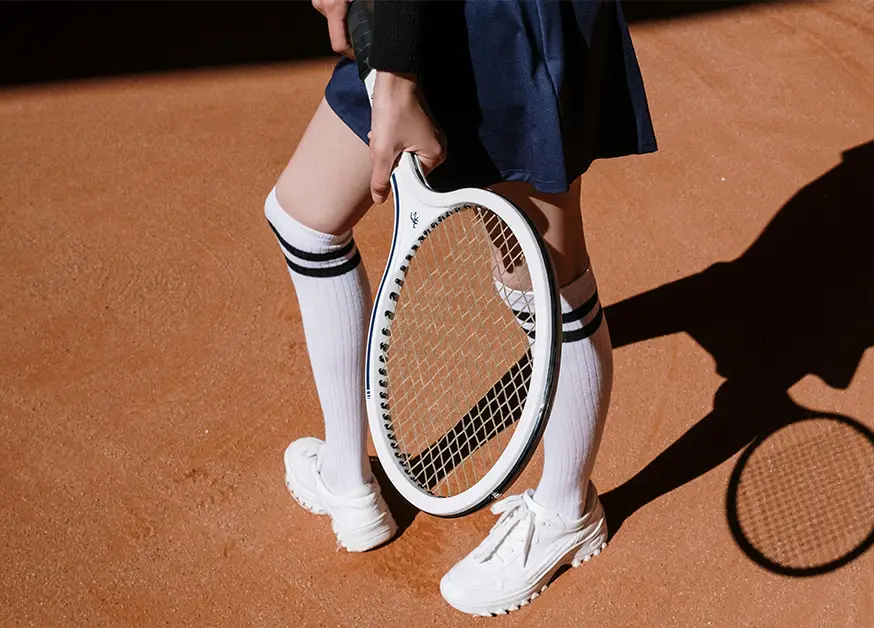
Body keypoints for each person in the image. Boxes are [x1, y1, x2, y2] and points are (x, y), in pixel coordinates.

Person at [268, 0, 656, 615]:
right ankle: (346, 477)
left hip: (497, 22)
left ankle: (564, 511)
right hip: (432, 19)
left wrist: (396, 80)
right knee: (305, 217)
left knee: (543, 271)